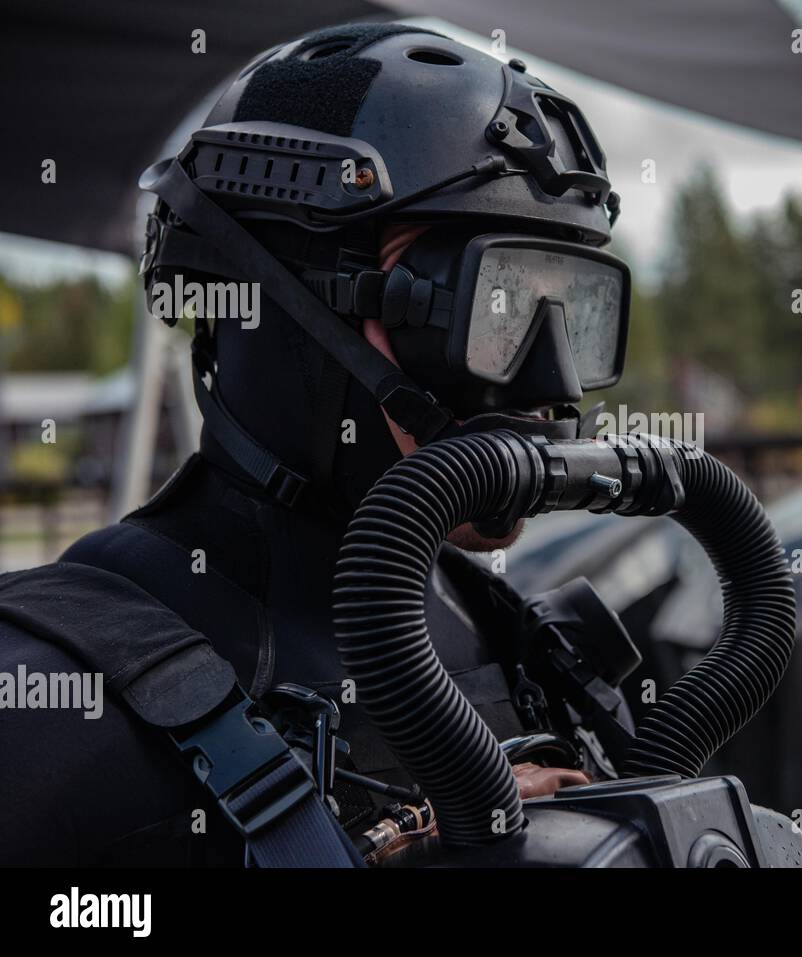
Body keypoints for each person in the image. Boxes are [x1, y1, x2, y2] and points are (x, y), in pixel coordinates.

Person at [0, 22, 632, 865]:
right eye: (495, 304)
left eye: (576, 312)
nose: (553, 386)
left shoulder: (533, 655)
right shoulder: (46, 701)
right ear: (279, 312)